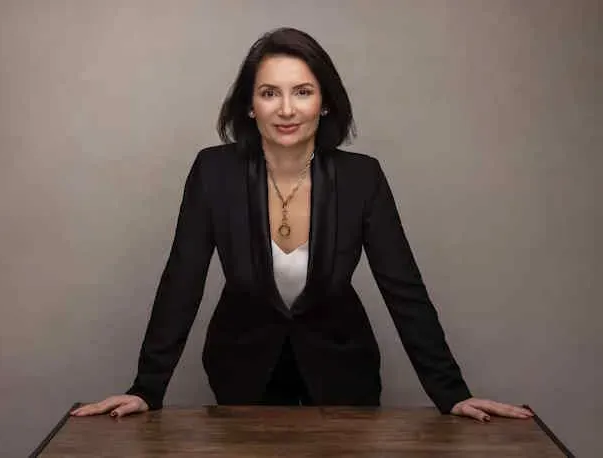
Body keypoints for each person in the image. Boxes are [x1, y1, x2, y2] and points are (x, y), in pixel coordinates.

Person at [71, 27, 532, 423]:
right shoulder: (213, 171)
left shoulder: (362, 177)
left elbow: (403, 288)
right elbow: (182, 280)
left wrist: (451, 393)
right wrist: (147, 388)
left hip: (344, 370)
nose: (286, 109)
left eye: (303, 92)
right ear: (249, 105)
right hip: (242, 369)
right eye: (269, 92)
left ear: (325, 103)